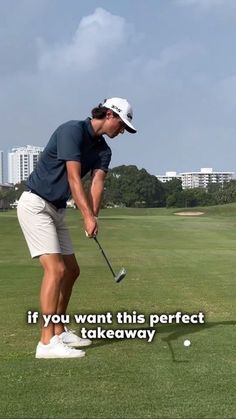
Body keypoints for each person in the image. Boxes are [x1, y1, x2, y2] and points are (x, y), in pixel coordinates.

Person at [17, 97, 137, 359]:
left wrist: (93, 216)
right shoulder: (71, 130)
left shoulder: (104, 150)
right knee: (56, 269)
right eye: (121, 125)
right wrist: (85, 216)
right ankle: (46, 342)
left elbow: (97, 184)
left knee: (72, 270)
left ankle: (59, 331)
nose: (122, 131)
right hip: (35, 204)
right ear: (108, 115)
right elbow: (73, 178)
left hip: (56, 209)